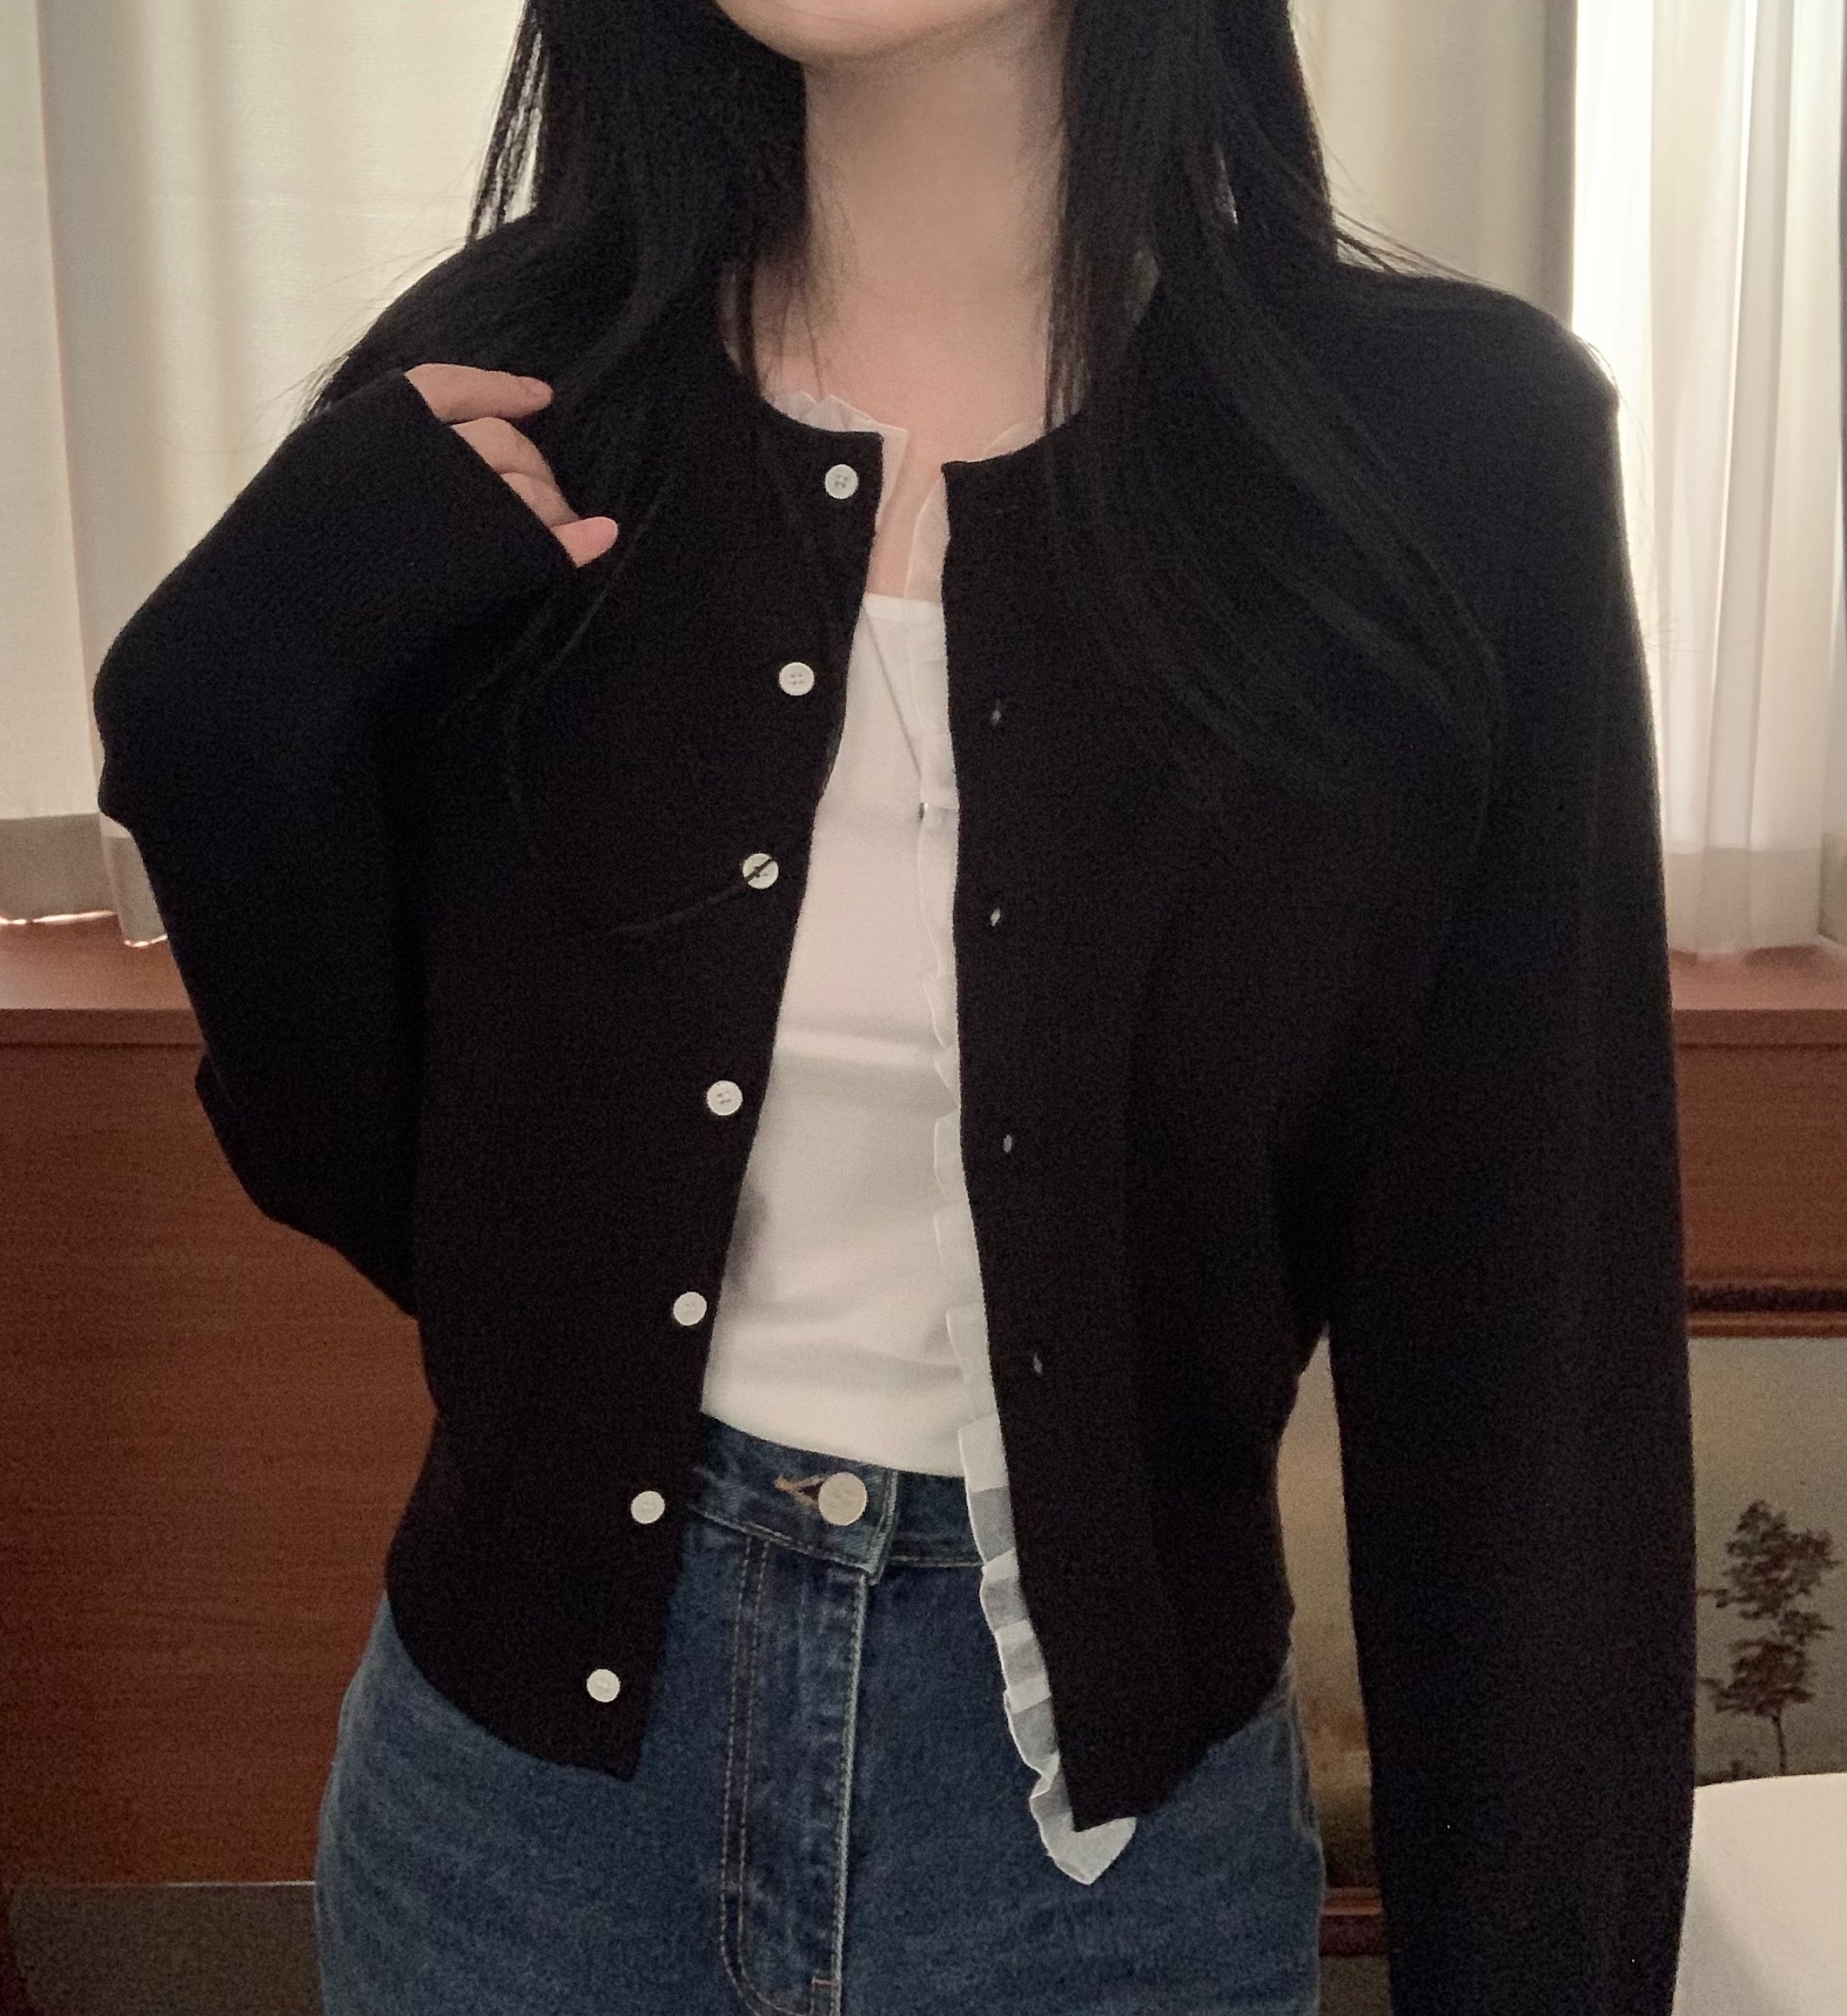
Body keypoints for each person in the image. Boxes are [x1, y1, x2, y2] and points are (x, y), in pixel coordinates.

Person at [91, 2, 1697, 2012]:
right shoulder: (523, 393)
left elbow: (1525, 1334)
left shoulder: (1450, 447)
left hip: (1094, 1860)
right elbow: (356, 1151)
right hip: (522, 1820)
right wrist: (215, 684)